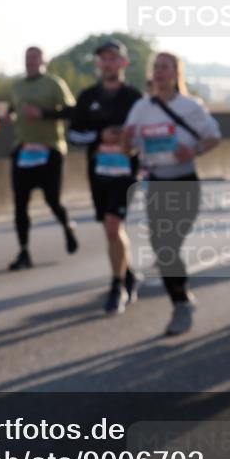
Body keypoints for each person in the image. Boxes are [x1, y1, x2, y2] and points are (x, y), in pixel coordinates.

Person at [123, 52, 221, 336]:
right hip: (155, 181)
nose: (160, 73)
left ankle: (181, 298)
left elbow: (214, 137)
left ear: (177, 73)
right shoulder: (141, 108)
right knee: (162, 245)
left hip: (185, 181)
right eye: (156, 67)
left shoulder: (191, 106)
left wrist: (194, 150)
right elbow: (128, 148)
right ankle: (181, 303)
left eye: (166, 67)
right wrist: (126, 141)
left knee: (169, 243)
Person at [68, 39, 144, 313]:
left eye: (114, 58)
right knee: (111, 229)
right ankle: (128, 273)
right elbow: (73, 134)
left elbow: (146, 133)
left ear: (123, 63)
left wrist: (126, 139)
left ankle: (117, 286)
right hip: (98, 171)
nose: (108, 63)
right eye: (104, 59)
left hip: (126, 172)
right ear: (99, 64)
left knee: (114, 224)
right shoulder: (88, 97)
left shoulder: (135, 98)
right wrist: (99, 136)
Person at [6, 46, 79, 271]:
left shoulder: (53, 83)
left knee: (52, 199)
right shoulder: (17, 86)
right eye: (27, 58)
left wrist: (44, 114)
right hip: (23, 150)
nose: (30, 62)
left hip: (50, 149)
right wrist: (10, 115)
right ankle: (24, 251)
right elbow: (11, 109)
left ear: (43, 61)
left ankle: (67, 226)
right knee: (19, 204)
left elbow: (72, 111)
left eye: (35, 58)